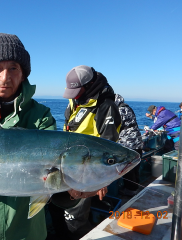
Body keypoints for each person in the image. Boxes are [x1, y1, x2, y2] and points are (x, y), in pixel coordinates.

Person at [0, 33, 96, 240]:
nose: (5, 77)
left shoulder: (41, 116)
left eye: (13, 68)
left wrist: (71, 193)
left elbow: (52, 176)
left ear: (23, 74)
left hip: (25, 232)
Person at [48, 65, 121, 240]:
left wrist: (102, 181)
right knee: (55, 208)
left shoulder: (106, 107)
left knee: (75, 219)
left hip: (86, 172)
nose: (74, 96)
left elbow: (110, 145)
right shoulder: (76, 101)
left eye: (77, 92)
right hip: (66, 166)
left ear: (89, 85)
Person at [115, 94, 143, 197]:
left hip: (128, 143)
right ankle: (135, 188)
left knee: (128, 169)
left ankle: (130, 191)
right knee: (136, 166)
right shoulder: (127, 107)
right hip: (137, 141)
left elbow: (116, 126)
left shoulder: (119, 110)